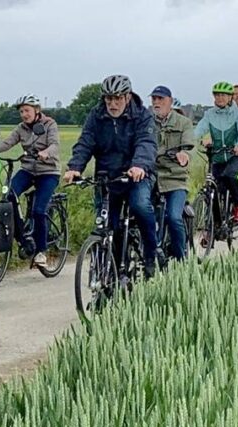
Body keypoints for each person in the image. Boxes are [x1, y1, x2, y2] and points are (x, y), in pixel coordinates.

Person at [62, 75, 158, 278]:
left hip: (136, 175)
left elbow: (146, 143)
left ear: (128, 97)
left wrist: (139, 165)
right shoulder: (96, 116)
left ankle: (151, 254)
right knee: (106, 225)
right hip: (107, 177)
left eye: (117, 99)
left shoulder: (142, 115)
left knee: (141, 205)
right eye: (108, 99)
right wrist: (75, 167)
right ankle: (109, 277)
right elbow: (86, 142)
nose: (112, 104)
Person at [0, 94, 60, 268]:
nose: (24, 114)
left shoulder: (49, 124)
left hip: (48, 171)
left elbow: (55, 144)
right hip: (28, 170)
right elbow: (6, 144)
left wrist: (46, 152)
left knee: (39, 210)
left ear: (37, 110)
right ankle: (22, 236)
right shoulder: (21, 128)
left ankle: (41, 251)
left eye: (27, 110)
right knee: (8, 196)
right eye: (21, 111)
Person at [193, 82, 238, 222]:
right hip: (217, 156)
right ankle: (213, 227)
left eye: (223, 95)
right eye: (217, 95)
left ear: (230, 97)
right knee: (214, 190)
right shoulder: (210, 114)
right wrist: (191, 140)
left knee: (230, 175)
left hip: (237, 155)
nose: (220, 98)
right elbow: (199, 129)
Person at [149, 85, 195, 261]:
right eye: (154, 99)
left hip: (175, 177)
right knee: (142, 215)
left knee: (174, 217)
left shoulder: (183, 123)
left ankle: (181, 257)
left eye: (160, 99)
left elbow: (188, 146)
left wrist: (184, 154)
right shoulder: (147, 122)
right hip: (152, 176)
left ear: (170, 101)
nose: (156, 102)